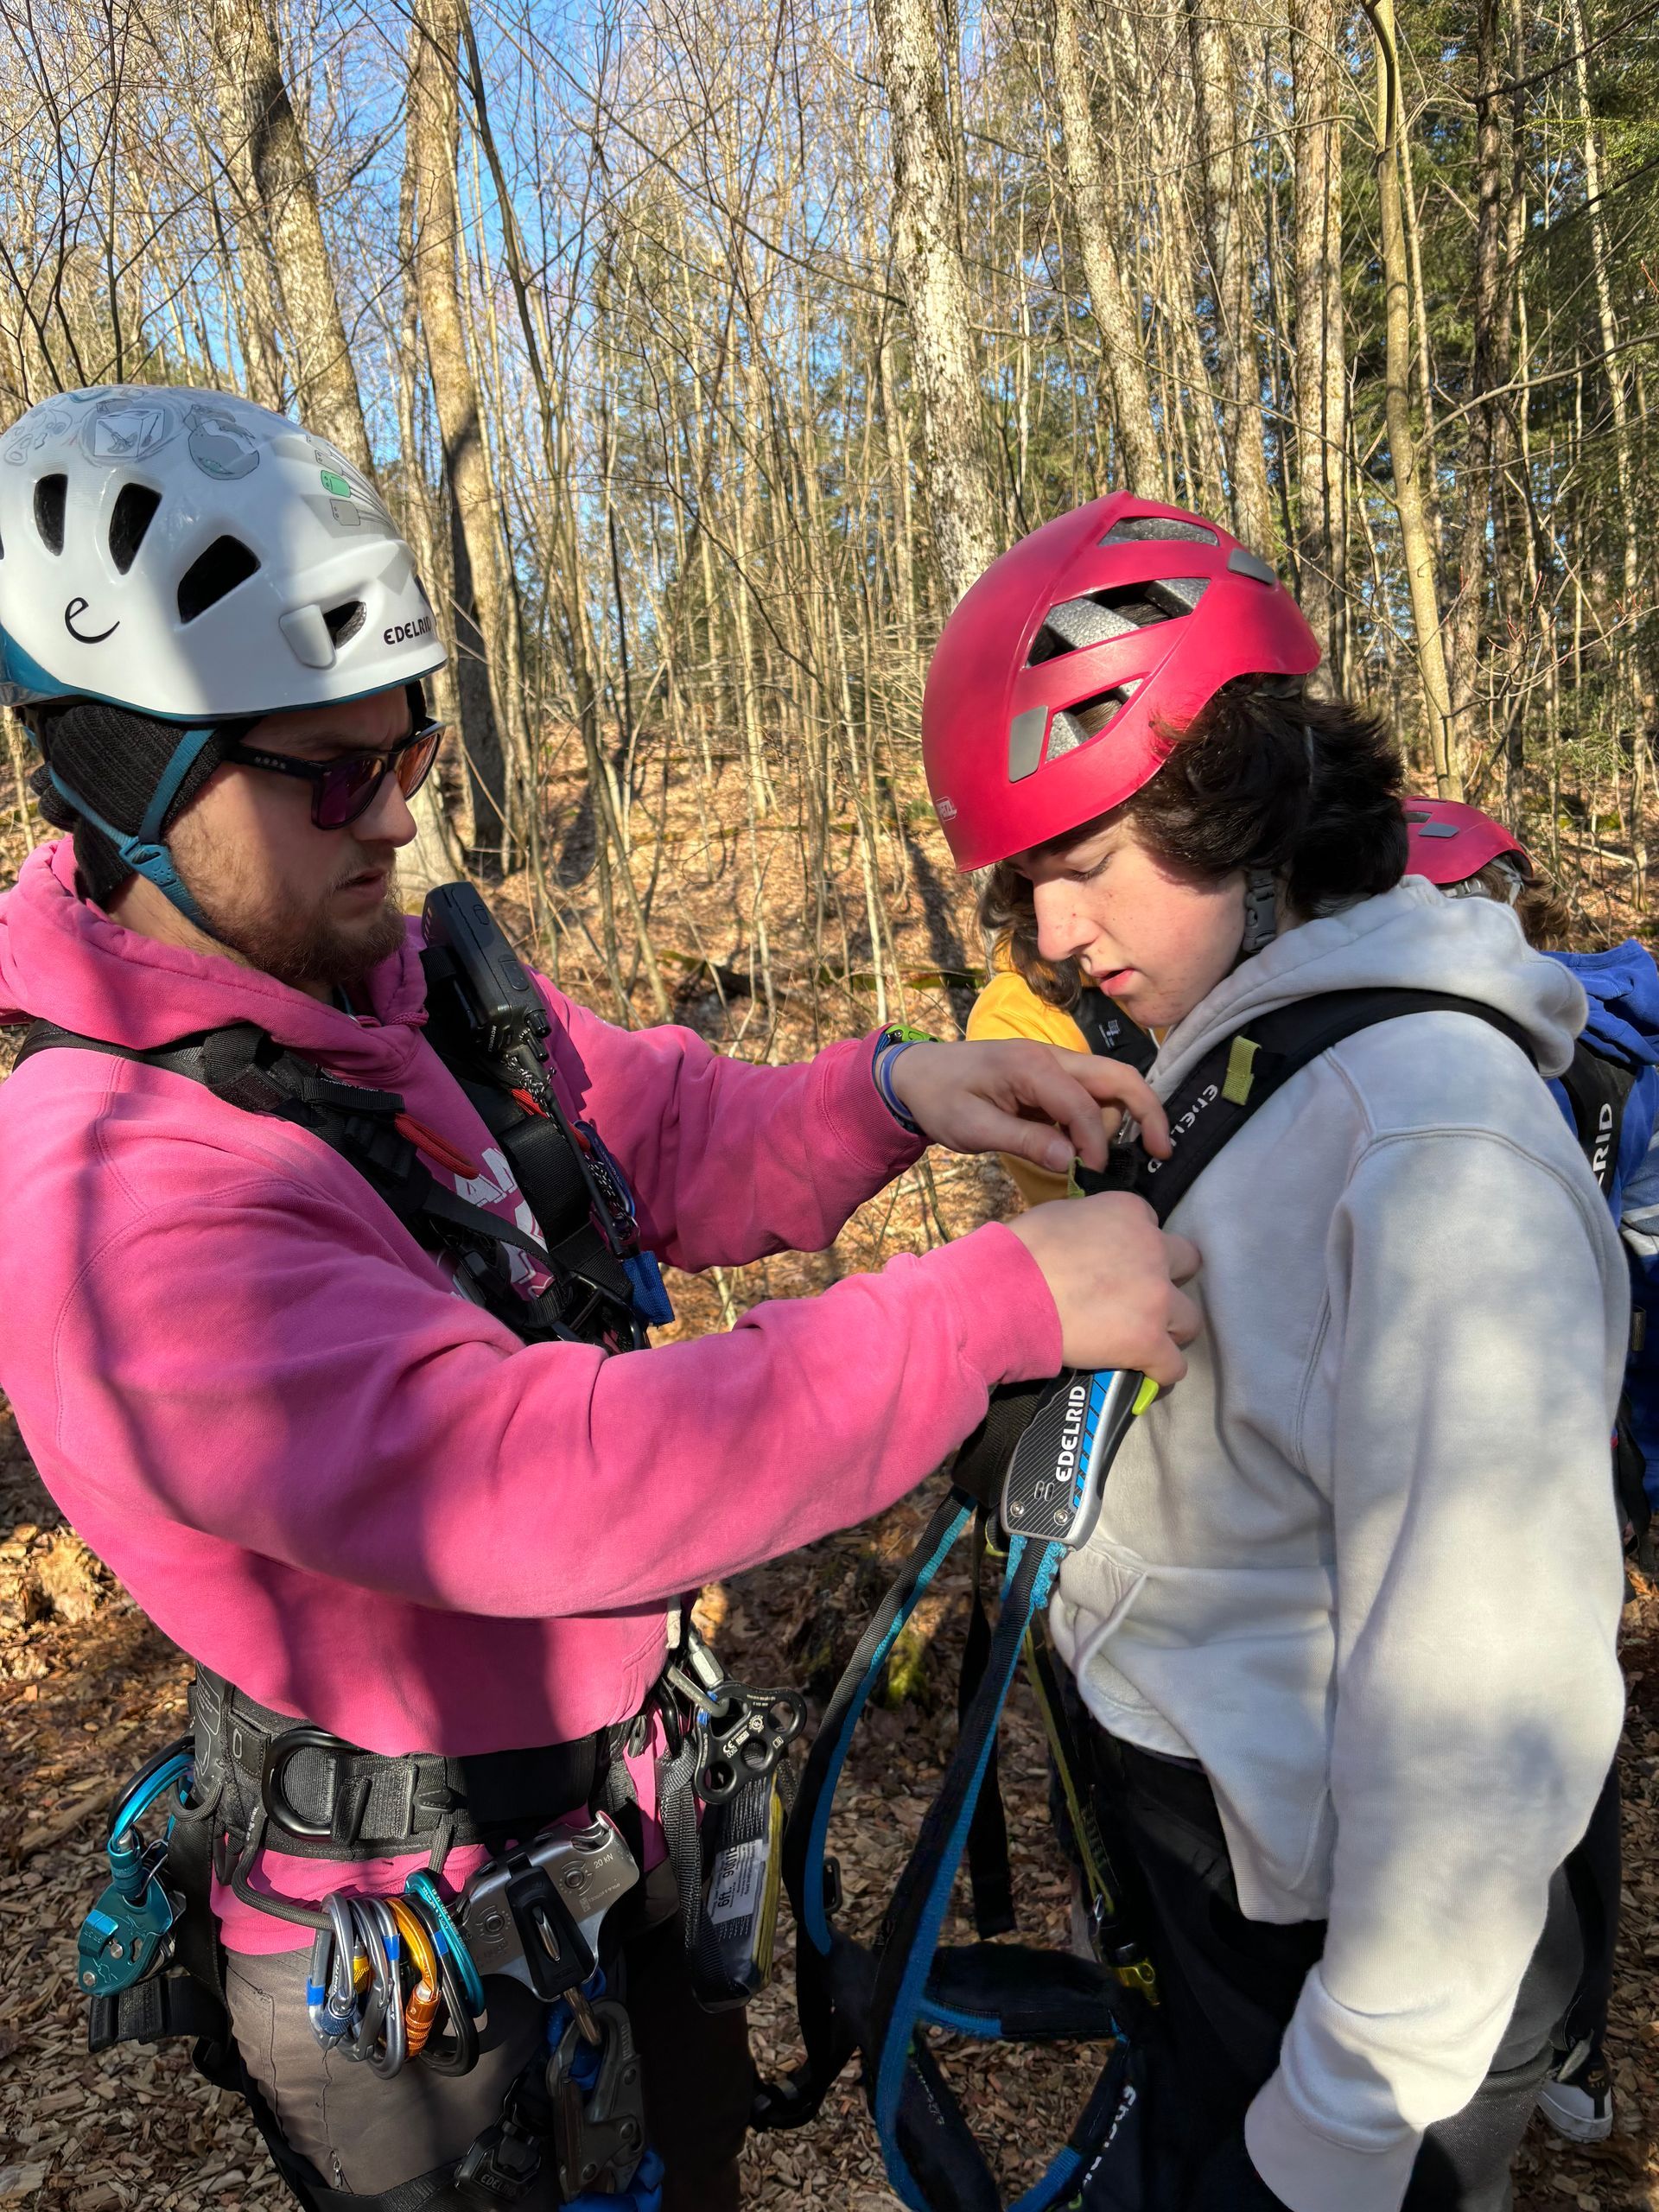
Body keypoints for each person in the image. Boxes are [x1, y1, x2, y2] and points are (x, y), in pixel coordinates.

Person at [0, 386, 1202, 2212]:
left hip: (608, 1821)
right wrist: (987, 1311)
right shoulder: (112, 1202)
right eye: (337, 771)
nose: (398, 813)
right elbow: (532, 1474)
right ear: (121, 774)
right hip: (421, 1970)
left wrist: (892, 1092)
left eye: (410, 747)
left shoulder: (380, 984)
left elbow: (639, 1126)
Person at [922, 491, 1628, 2212]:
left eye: (1081, 871)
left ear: (1231, 795)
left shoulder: (1427, 1145)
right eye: (1027, 895)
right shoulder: (1263, 1065)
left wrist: (1332, 2124)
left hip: (1345, 2020)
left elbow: (1485, 1714)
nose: (1054, 945)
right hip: (1230, 1901)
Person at [1400, 795, 1659, 2145]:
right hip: (1540, 1455)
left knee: (1549, 1743)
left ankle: (1553, 2045)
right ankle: (1545, 2050)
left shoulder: (1553, 1056)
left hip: (1552, 1460)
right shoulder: (1525, 1045)